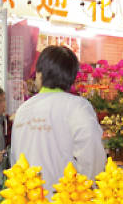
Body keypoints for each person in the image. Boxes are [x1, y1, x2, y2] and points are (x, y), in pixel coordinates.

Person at [10, 46, 106, 191]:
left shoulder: (23, 109)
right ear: (72, 77)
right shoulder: (77, 107)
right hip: (65, 203)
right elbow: (92, 156)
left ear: (39, 74)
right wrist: (89, 190)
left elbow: (15, 159)